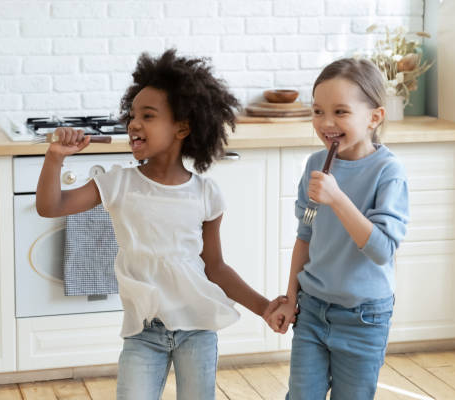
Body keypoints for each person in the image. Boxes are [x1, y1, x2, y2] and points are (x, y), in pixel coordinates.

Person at [36, 49, 287, 400]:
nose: (134, 124)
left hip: (197, 327)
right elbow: (51, 206)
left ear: (182, 126)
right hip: (144, 331)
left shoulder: (205, 194)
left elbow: (215, 267)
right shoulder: (117, 183)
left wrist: (263, 308)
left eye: (148, 115)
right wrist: (54, 158)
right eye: (132, 115)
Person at [268, 58, 410, 400]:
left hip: (364, 318)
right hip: (313, 309)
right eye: (318, 111)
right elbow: (306, 236)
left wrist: (338, 198)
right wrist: (291, 298)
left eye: (340, 112)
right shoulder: (315, 165)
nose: (326, 123)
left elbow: (382, 250)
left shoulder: (388, 172)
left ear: (374, 117)